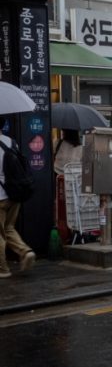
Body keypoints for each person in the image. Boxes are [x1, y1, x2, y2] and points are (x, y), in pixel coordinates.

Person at [0, 117, 35, 277]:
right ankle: (25, 251)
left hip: (0, 197)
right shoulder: (11, 142)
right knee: (9, 228)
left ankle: (3, 269)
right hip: (14, 194)